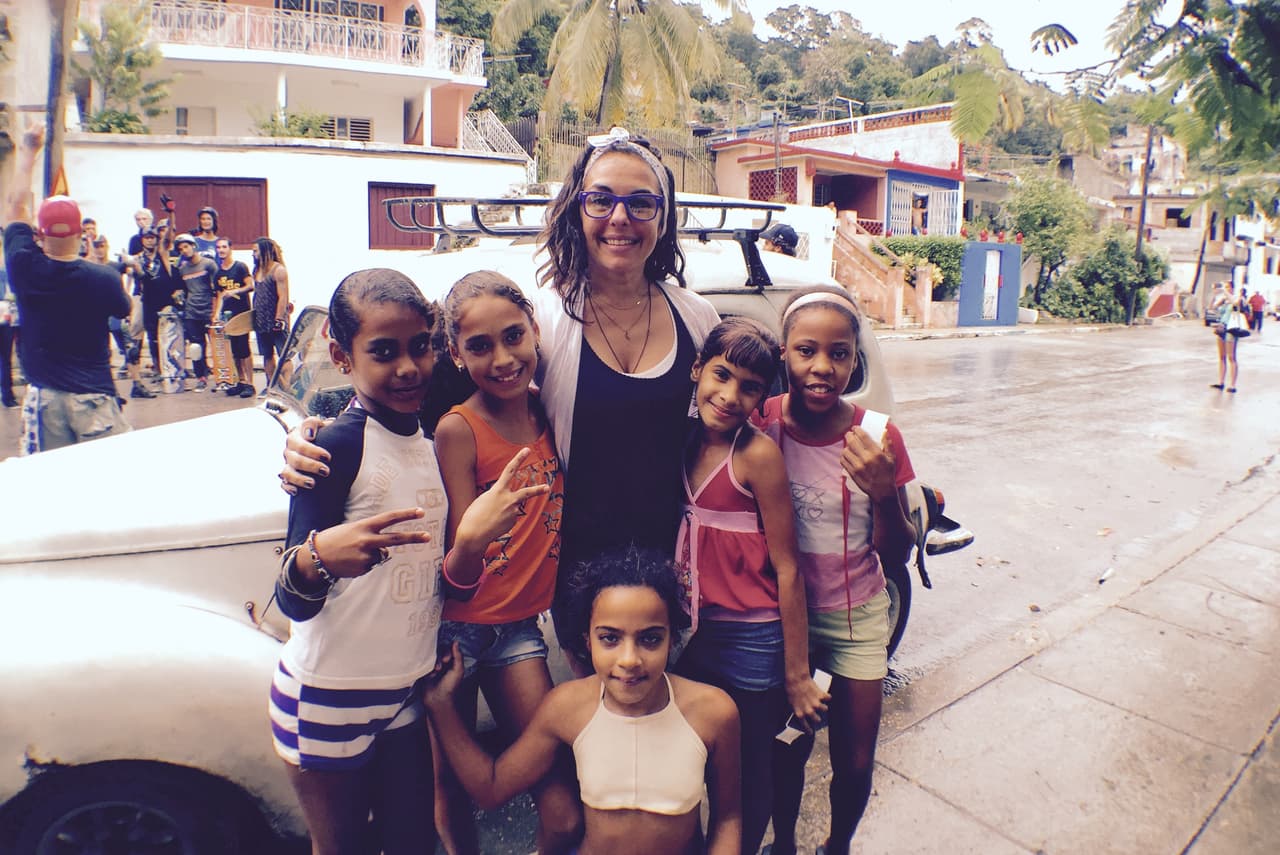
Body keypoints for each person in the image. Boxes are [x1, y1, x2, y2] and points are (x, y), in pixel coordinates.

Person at [281, 127, 722, 668]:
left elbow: (734, 420)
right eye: (601, 199)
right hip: (573, 571)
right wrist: (315, 434)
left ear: (664, 214)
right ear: (577, 209)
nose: (620, 218)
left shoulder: (697, 317)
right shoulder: (551, 315)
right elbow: (427, 401)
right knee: (592, 718)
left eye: (641, 202)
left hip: (671, 559)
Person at [269, 268, 547, 855]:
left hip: (404, 694)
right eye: (384, 353)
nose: (407, 367)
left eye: (419, 347)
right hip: (328, 692)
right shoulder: (334, 448)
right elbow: (291, 594)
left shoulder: (430, 439)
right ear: (344, 357)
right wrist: (319, 557)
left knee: (414, 840)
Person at [421, 547, 743, 855]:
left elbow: (728, 818)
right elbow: (492, 788)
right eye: (610, 638)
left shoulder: (713, 712)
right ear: (588, 641)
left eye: (650, 638)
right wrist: (441, 704)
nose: (629, 659)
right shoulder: (568, 707)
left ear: (672, 638)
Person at [754, 286, 916, 855]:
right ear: (784, 354)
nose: (822, 368)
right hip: (781, 617)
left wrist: (884, 494)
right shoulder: (762, 422)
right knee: (786, 745)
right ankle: (783, 846)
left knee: (854, 758)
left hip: (857, 616)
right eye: (806, 351)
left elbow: (895, 555)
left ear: (854, 357)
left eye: (839, 353)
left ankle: (837, 846)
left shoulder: (878, 436)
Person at [429, 271, 580, 854]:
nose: (503, 358)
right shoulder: (457, 430)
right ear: (455, 354)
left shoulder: (548, 410)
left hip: (518, 630)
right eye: (480, 346)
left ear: (535, 330)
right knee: (450, 789)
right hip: (454, 633)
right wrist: (474, 538)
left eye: (514, 336)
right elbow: (458, 572)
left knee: (562, 813)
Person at [671, 317, 827, 855]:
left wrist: (798, 674)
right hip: (695, 632)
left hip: (753, 640)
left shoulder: (755, 455)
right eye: (721, 375)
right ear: (696, 371)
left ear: (765, 396)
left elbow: (788, 567)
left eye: (751, 387)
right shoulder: (683, 438)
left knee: (748, 770)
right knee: (687, 757)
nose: (730, 395)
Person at [1, 123, 132, 454]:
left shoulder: (24, 266)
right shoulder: (103, 278)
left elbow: (15, 207)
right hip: (95, 399)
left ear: (39, 235)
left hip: (45, 401)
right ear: (81, 233)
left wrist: (29, 149)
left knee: (49, 491)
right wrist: (92, 259)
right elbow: (124, 308)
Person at [214, 236, 256, 397]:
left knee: (244, 349)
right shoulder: (218, 272)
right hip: (228, 315)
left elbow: (250, 285)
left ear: (230, 248)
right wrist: (216, 314)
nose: (221, 250)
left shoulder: (240, 267)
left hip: (242, 313)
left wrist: (235, 291)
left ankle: (250, 383)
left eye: (224, 247)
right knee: (235, 350)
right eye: (218, 247)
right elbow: (219, 295)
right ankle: (241, 381)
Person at [174, 232, 217, 391]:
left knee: (218, 345)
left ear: (193, 246)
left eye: (186, 246)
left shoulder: (209, 264)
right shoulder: (183, 269)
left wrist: (215, 311)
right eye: (180, 249)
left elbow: (217, 289)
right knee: (196, 347)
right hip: (191, 312)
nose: (184, 250)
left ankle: (224, 378)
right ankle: (201, 377)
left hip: (209, 310)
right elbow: (183, 291)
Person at [252, 236, 291, 387]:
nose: (253, 254)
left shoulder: (278, 270)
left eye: (255, 251)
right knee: (267, 356)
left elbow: (283, 297)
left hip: (276, 321)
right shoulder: (257, 270)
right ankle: (272, 386)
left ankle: (287, 386)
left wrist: (279, 319)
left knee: (285, 355)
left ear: (264, 251)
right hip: (261, 321)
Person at [1210, 282, 1246, 393]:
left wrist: (1225, 293)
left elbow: (1235, 304)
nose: (1225, 289)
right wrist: (1214, 295)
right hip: (1222, 327)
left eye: (1227, 287)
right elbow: (1212, 307)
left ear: (1232, 288)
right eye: (1224, 287)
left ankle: (1232, 385)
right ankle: (1221, 382)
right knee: (1221, 357)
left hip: (1232, 328)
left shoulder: (1238, 298)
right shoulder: (1224, 300)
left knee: (1231, 357)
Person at [0, 270, 18, 407]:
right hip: (5, 319)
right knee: (5, 359)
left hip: (5, 319)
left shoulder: (4, 273)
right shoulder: (5, 273)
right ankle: (7, 396)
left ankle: (7, 395)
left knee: (5, 359)